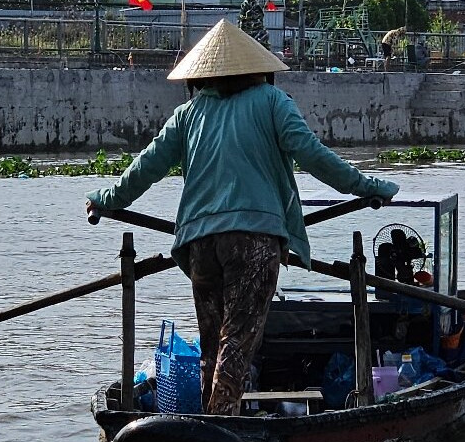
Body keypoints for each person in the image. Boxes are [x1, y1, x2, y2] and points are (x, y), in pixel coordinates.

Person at [85, 20, 400, 416]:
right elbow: (314, 157)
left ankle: (207, 422)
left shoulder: (188, 114)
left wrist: (104, 199)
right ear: (259, 69)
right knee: (236, 340)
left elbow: (144, 169)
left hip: (199, 243)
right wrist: (367, 186)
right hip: (253, 241)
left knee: (213, 344)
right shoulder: (272, 101)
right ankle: (219, 426)